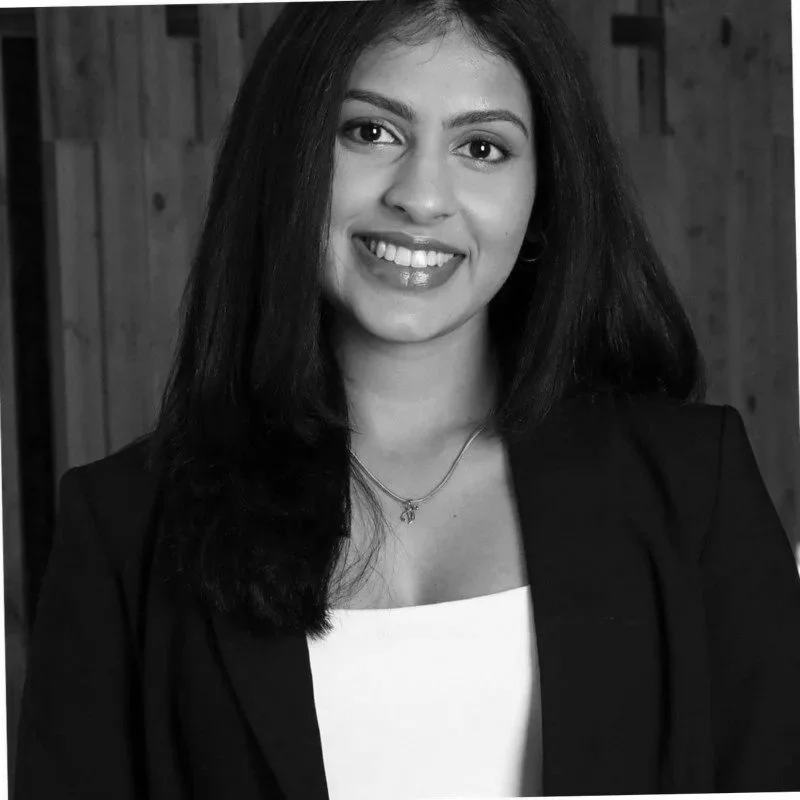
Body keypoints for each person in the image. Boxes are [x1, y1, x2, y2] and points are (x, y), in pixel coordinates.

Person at [14, 0, 800, 797]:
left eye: (483, 147)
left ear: (543, 201)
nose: (421, 196)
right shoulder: (122, 530)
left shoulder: (696, 486)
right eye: (370, 132)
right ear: (287, 158)